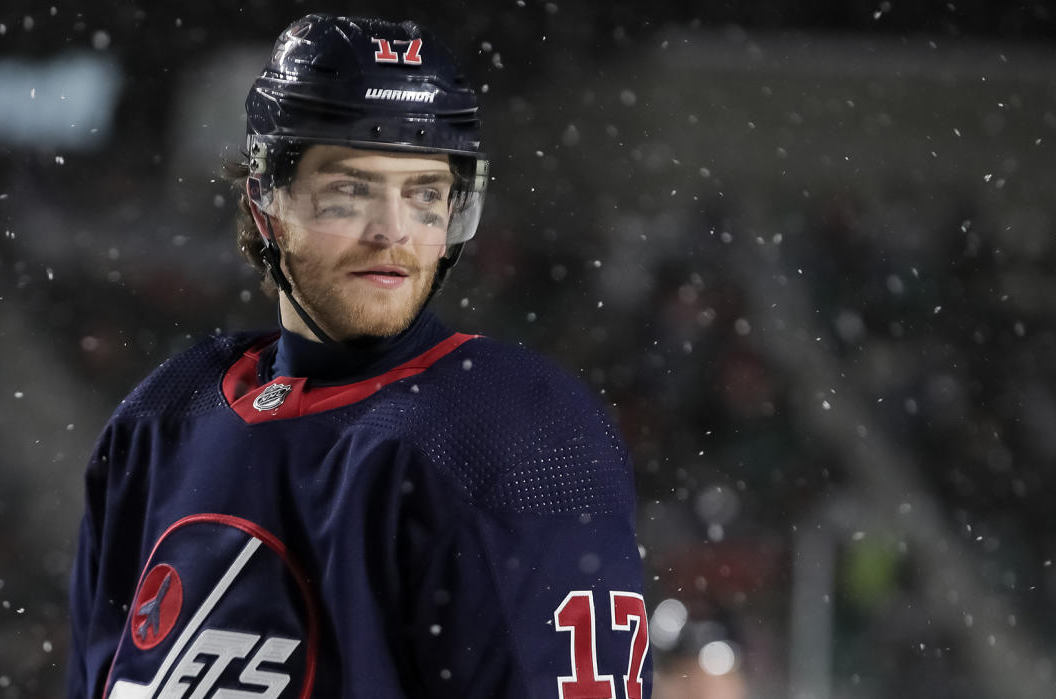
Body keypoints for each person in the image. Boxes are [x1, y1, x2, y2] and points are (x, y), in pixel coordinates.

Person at [68, 14, 650, 699]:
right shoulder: (166, 415)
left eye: (425, 194)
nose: (392, 232)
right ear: (267, 203)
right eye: (351, 191)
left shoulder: (508, 428)